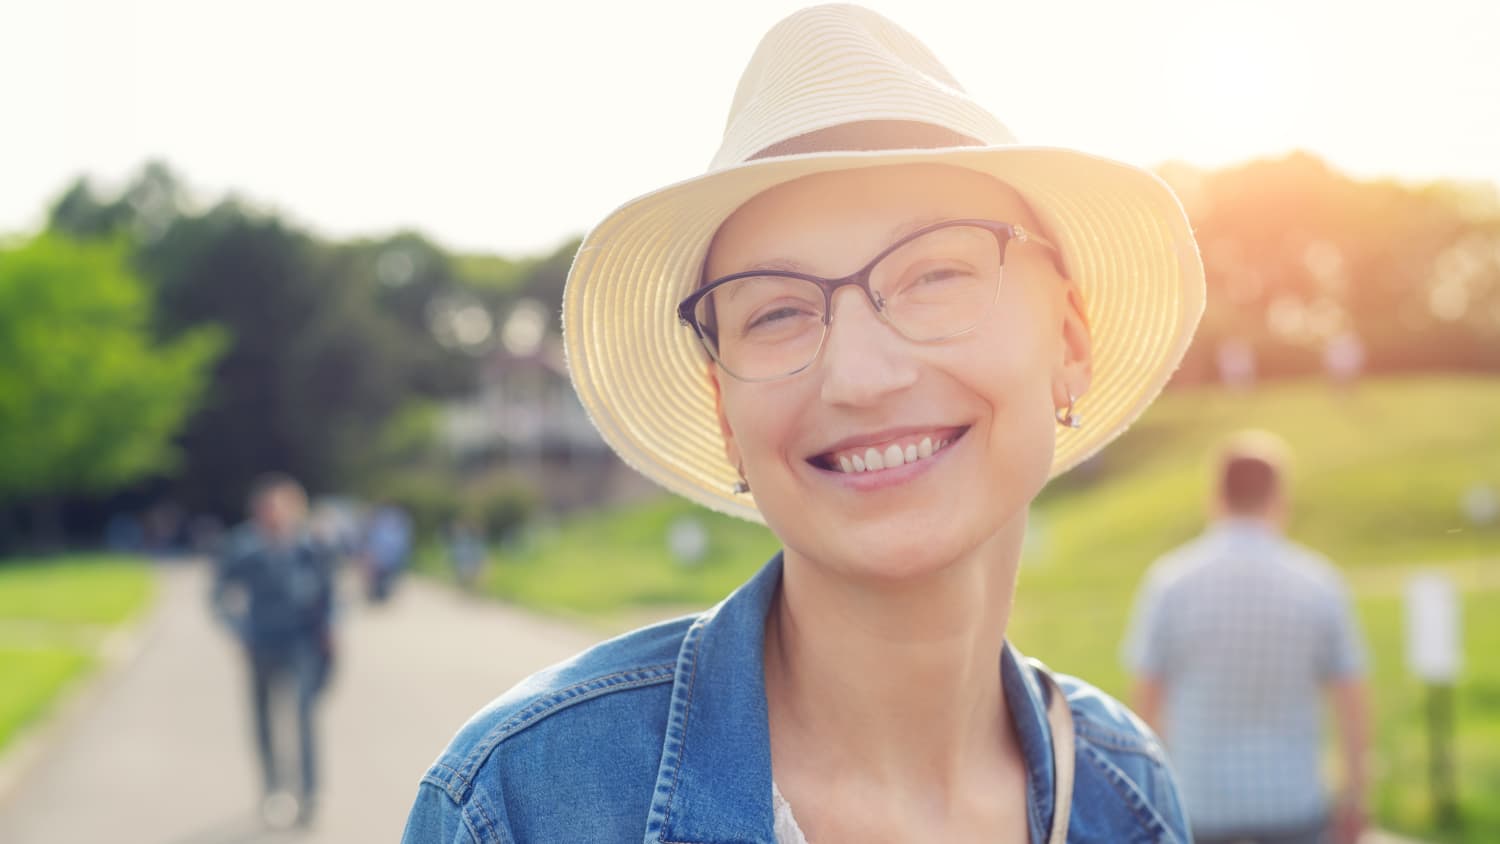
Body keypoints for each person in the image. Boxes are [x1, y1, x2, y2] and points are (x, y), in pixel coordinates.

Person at [405, 4, 1205, 841]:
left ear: (1071, 343)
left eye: (936, 274)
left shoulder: (1128, 792)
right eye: (778, 312)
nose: (860, 377)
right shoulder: (522, 804)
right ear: (723, 412)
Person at [1123, 432, 1370, 844]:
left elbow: (1144, 709)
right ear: (1280, 499)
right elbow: (1353, 703)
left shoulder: (1170, 584)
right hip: (1295, 808)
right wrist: (1356, 797)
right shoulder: (1320, 584)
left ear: (1215, 497)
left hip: (1199, 806)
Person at [212, 473, 337, 829]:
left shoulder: (310, 548)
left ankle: (309, 792)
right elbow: (218, 596)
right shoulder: (243, 549)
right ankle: (272, 791)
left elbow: (329, 594)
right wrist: (239, 631)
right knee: (263, 721)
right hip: (261, 644)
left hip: (301, 645)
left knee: (304, 718)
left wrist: (328, 629)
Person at [362, 501, 412, 602]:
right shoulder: (396, 521)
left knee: (385, 577)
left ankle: (380, 595)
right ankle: (378, 594)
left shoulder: (388, 521)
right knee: (380, 577)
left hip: (386, 555)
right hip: (385, 555)